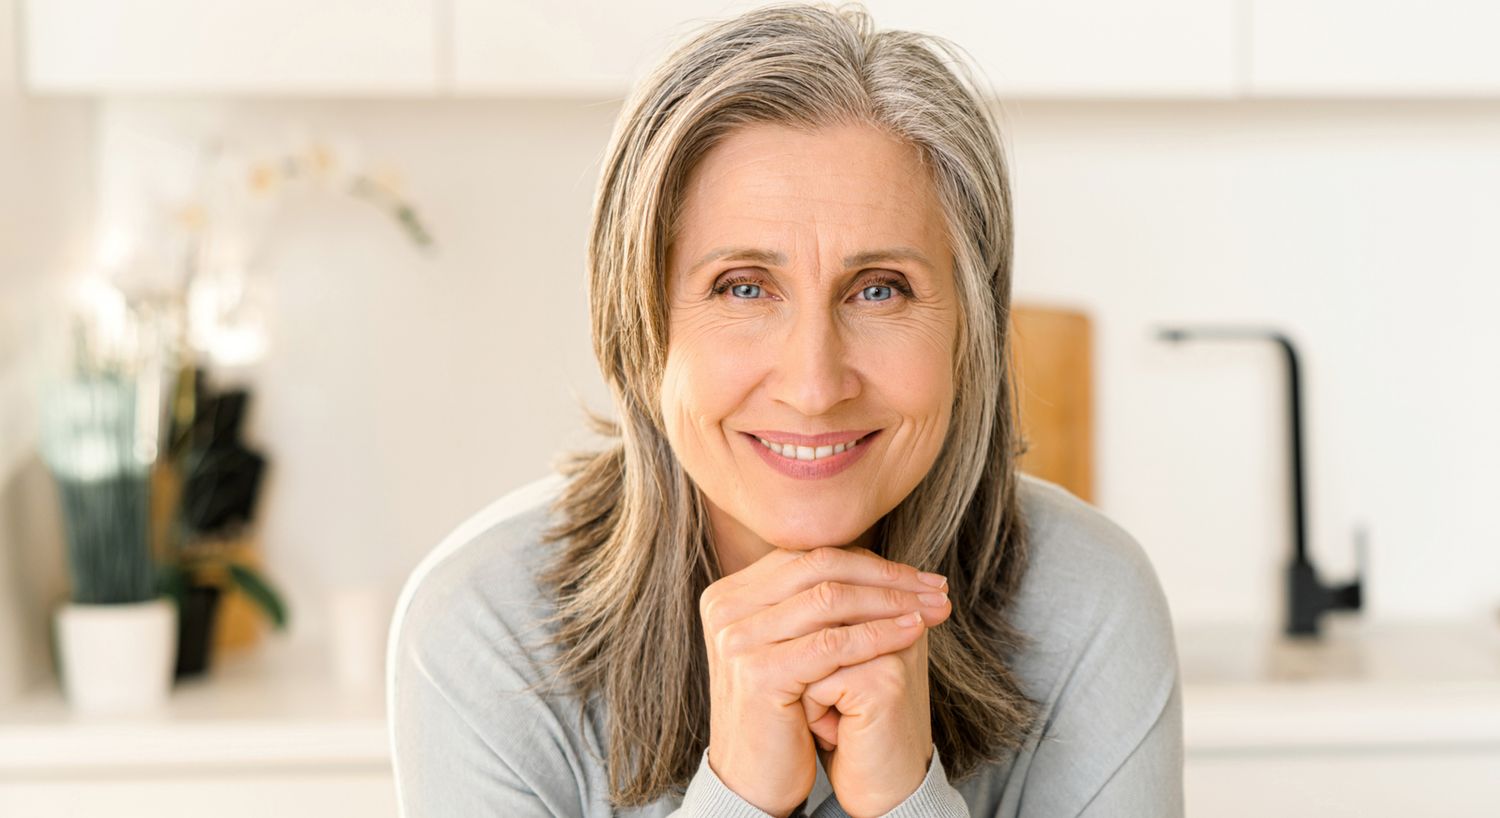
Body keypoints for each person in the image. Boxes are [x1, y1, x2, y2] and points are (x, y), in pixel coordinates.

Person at [387, 3, 1184, 816]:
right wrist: (739, 794)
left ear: (968, 328)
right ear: (640, 322)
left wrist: (906, 797)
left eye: (880, 289)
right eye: (742, 287)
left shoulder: (1090, 605)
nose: (813, 384)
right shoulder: (482, 628)